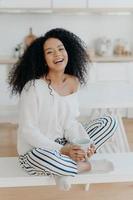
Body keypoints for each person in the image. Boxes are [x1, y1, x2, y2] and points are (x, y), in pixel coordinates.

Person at [8, 28, 117, 190]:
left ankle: (64, 169)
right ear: (43, 59)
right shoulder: (33, 87)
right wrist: (63, 150)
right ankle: (86, 166)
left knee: (109, 121)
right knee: (42, 156)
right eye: (50, 52)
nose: (57, 54)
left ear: (68, 52)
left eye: (61, 49)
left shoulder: (73, 82)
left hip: (63, 144)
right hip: (36, 150)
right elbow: (28, 132)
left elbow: (69, 123)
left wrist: (84, 144)